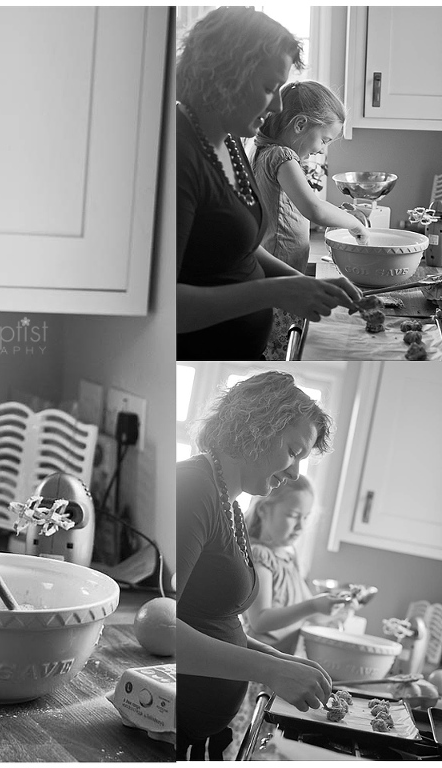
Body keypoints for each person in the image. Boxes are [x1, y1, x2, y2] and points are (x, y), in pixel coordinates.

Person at [176, 7, 362, 360]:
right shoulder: (179, 154)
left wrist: (305, 284)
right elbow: (169, 306)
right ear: (224, 77)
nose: (277, 104)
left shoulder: (228, 142)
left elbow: (240, 248)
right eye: (268, 88)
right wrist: (276, 292)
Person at [176, 371, 333, 761]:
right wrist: (270, 671)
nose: (296, 472)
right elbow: (164, 625)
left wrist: (279, 661)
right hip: (170, 732)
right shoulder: (194, 489)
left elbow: (214, 623)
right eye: (293, 452)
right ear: (256, 428)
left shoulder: (229, 501)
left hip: (205, 735)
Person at [223, 475, 352, 760]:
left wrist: (334, 612)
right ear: (265, 509)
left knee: (267, 748)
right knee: (243, 744)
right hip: (259, 674)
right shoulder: (260, 555)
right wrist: (313, 606)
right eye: (293, 515)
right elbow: (262, 620)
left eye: (306, 517)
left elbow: (303, 618)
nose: (301, 525)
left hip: (283, 673)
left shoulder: (290, 555)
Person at [250, 81, 370, 359]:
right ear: (300, 124)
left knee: (272, 347)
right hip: (282, 270)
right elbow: (313, 208)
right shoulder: (282, 156)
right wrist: (353, 222)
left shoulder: (260, 149)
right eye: (324, 140)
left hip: (272, 270)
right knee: (281, 348)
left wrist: (341, 215)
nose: (321, 149)